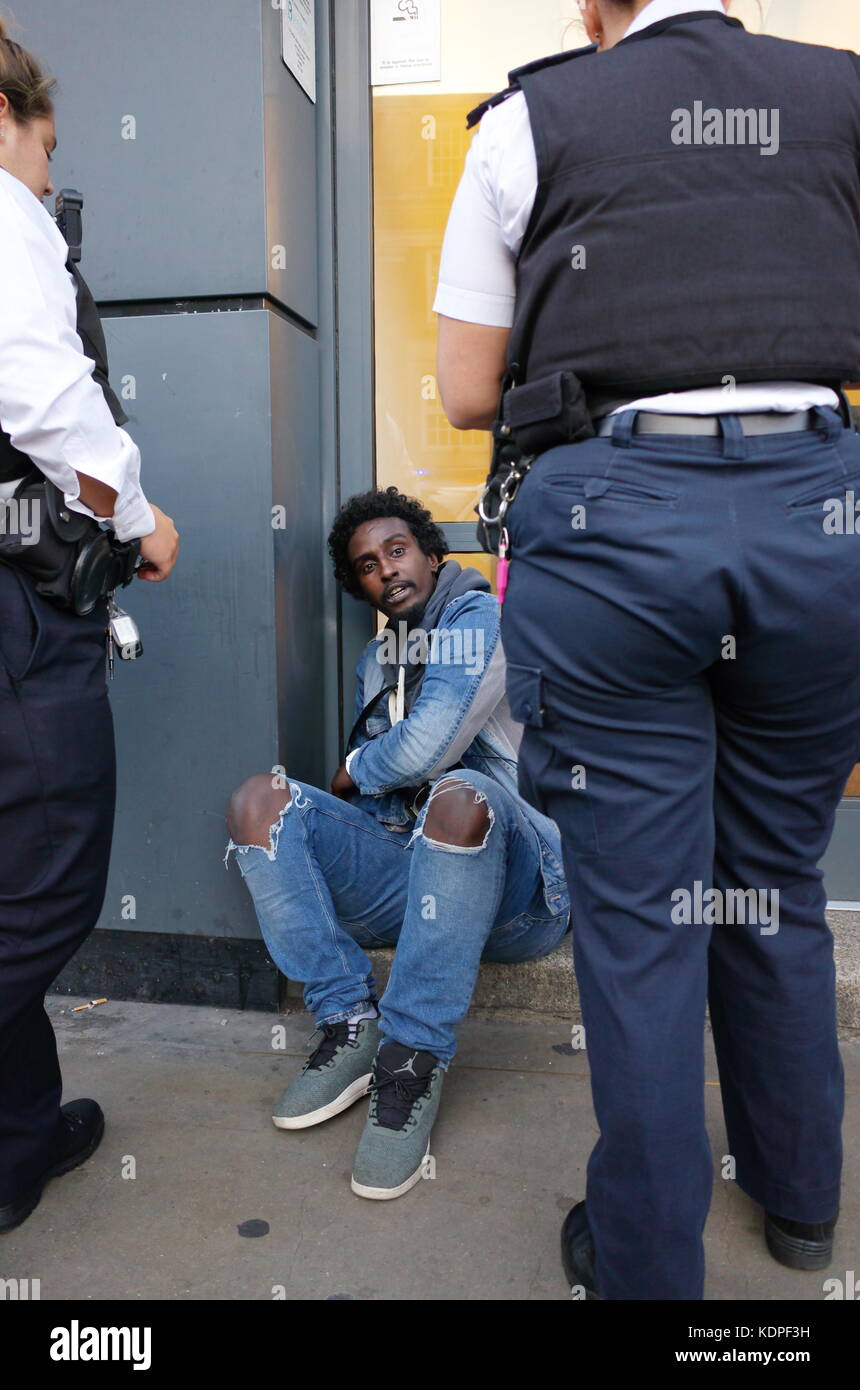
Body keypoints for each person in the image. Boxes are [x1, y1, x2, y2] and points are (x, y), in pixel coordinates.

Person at [435, 0, 860, 1298]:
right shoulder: (843, 92)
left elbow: (464, 388)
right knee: (775, 878)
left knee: (641, 922)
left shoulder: (531, 119)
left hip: (617, 531)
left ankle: (647, 1265)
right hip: (819, 517)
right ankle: (801, 1205)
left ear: (592, 7)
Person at [225, 487, 571, 1201]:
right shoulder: (376, 662)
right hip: (413, 874)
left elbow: (422, 751)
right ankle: (350, 1021)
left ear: (432, 555)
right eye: (366, 566)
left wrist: (355, 767)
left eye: (397, 550)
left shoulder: (480, 620)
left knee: (457, 794)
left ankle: (410, 1059)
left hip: (514, 893)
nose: (385, 570)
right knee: (260, 800)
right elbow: (384, 800)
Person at [0, 18, 179, 1233]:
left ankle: (15, 1147)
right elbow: (44, 395)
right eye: (43, 143)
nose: (51, 175)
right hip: (17, 606)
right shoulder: (2, 213)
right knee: (47, 887)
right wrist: (144, 516)